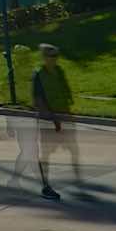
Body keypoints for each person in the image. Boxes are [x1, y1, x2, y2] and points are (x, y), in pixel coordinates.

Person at [30, 42, 80, 198]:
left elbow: (65, 92)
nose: (54, 59)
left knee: (73, 148)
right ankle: (46, 187)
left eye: (56, 56)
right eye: (51, 56)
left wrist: (69, 114)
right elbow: (38, 100)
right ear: (44, 57)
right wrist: (52, 119)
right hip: (48, 119)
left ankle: (78, 181)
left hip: (64, 116)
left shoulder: (59, 71)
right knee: (46, 153)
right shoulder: (38, 75)